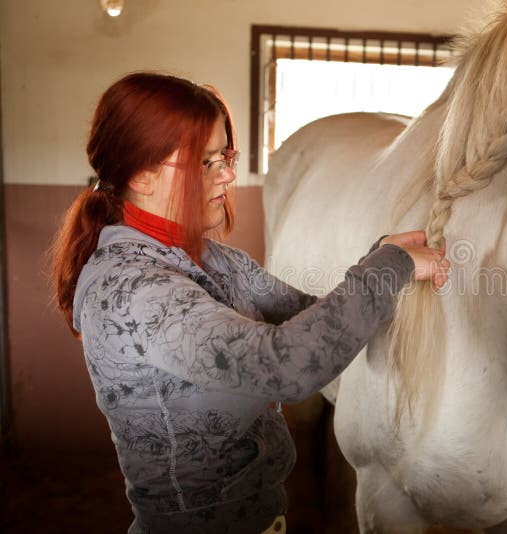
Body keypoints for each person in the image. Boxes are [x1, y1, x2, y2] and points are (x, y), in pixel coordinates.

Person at [50, 72, 450, 533]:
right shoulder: (132, 289)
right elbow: (285, 366)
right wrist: (387, 267)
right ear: (142, 174)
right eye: (205, 163)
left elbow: (310, 316)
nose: (228, 175)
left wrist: (380, 257)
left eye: (226, 156)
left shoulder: (216, 259)